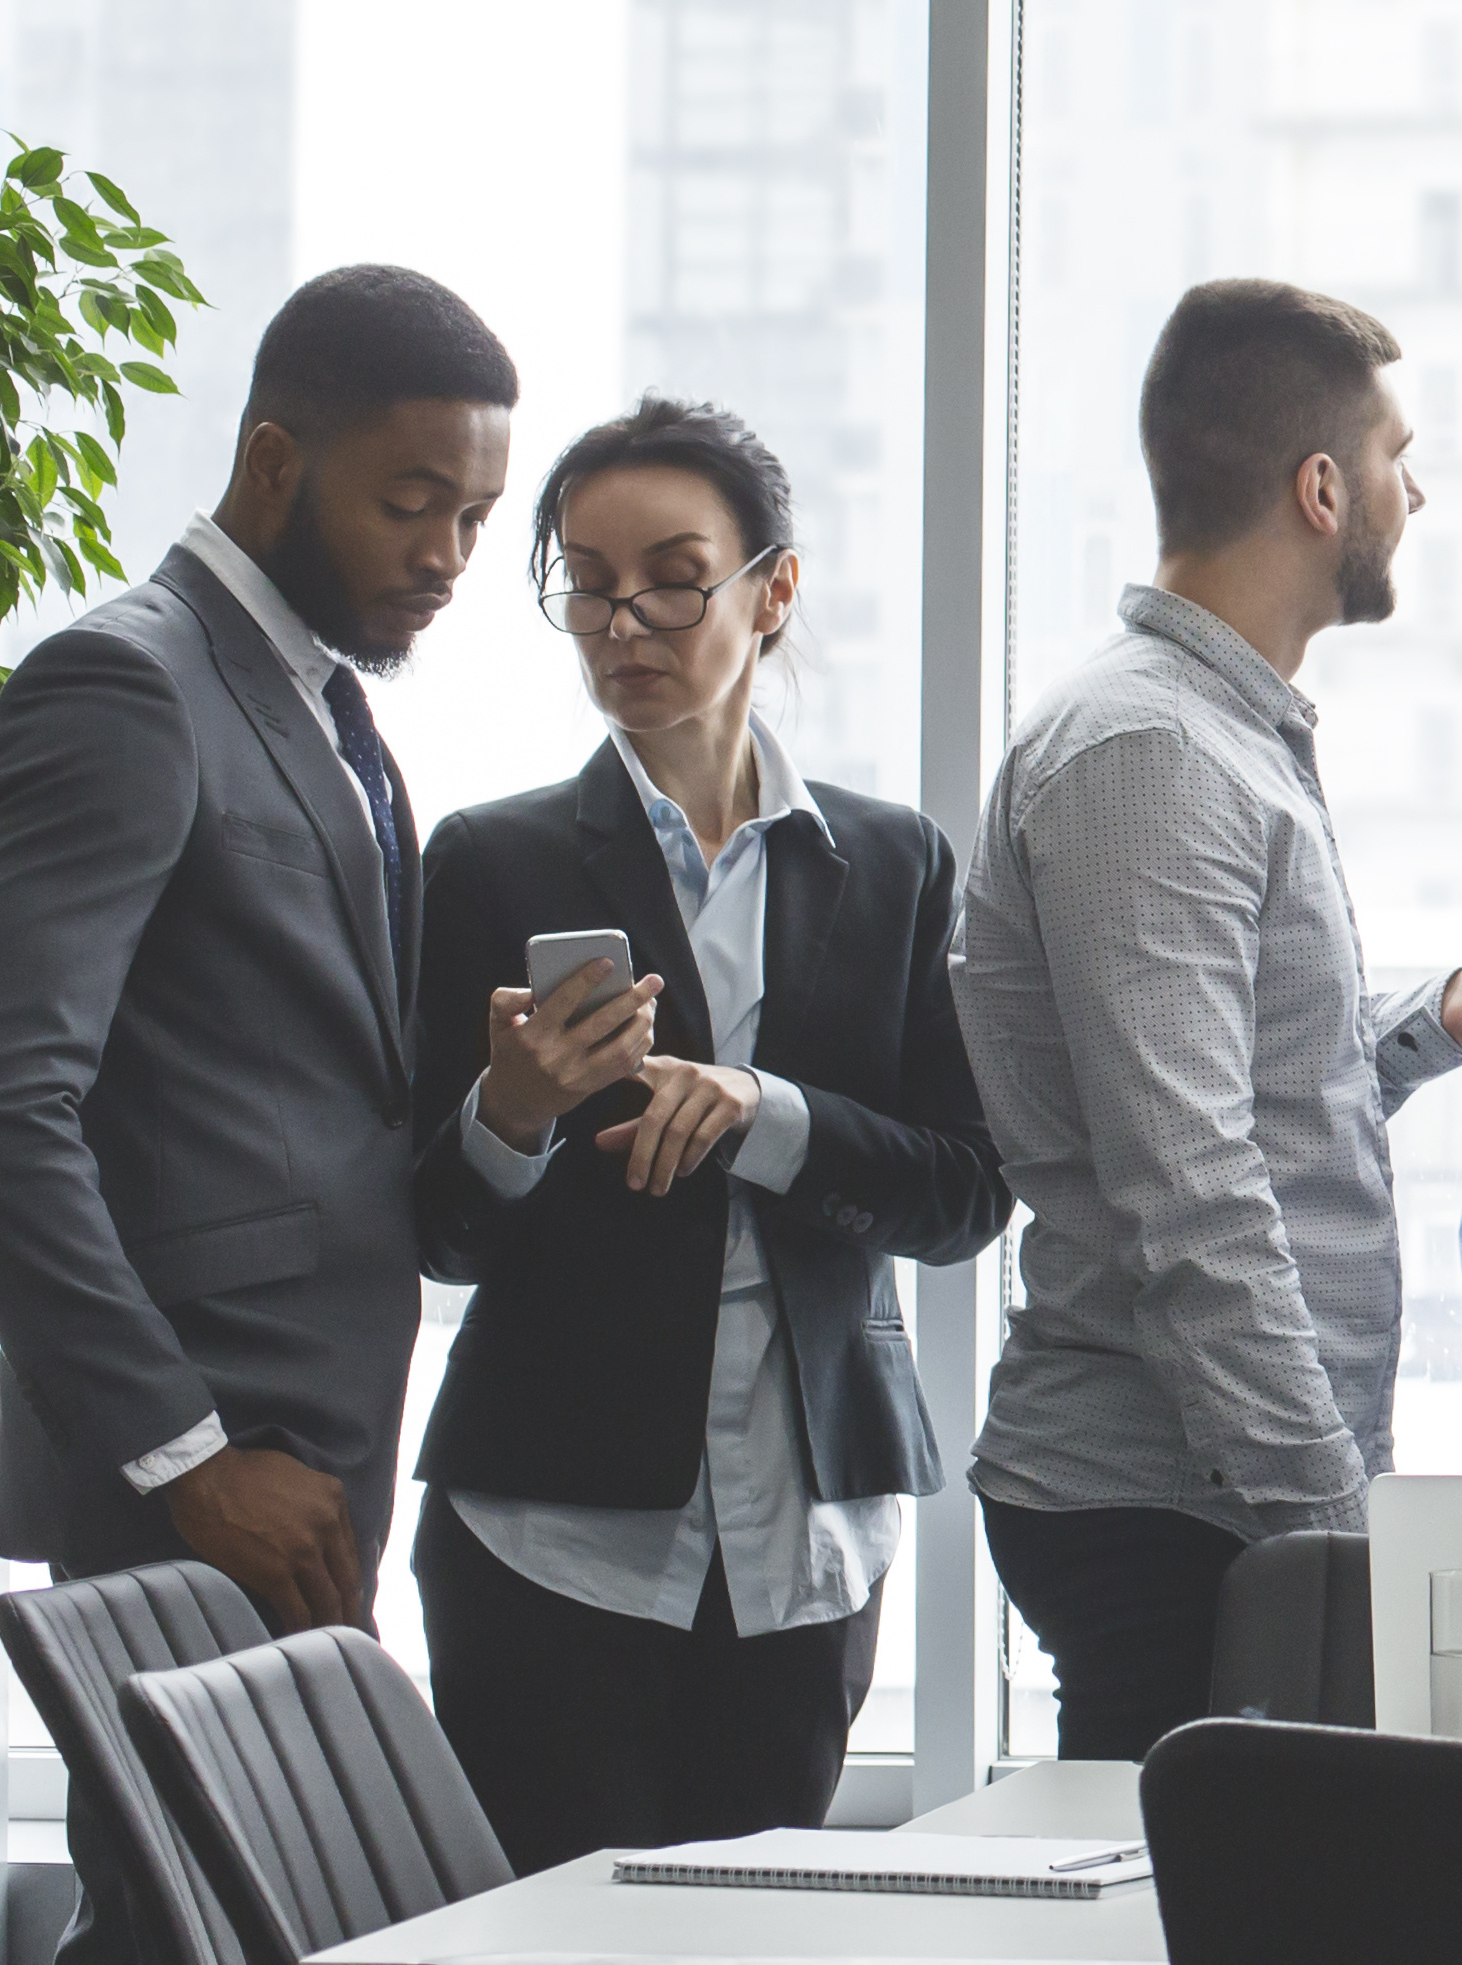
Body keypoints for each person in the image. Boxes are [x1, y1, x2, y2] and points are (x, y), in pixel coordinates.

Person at [0, 264, 513, 1965]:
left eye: (474, 513)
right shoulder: (128, 685)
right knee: (180, 1929)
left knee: (250, 1933)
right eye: (411, 502)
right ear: (270, 461)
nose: (449, 554)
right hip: (191, 1477)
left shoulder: (333, 715)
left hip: (308, 1466)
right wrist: (182, 1456)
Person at [960, 279, 1462, 1759]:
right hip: (1172, 1503)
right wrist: (1338, 1527)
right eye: (1398, 453)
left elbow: (1236, 1085)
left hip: (1210, 1497)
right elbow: (1186, 1184)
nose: (1417, 489)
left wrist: (1432, 1018)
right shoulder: (1149, 751)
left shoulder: (1215, 737)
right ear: (1320, 488)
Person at [405, 397, 1012, 1870]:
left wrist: (767, 1111)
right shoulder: (491, 857)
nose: (625, 619)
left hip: (806, 1532)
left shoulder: (892, 862)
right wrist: (516, 1113)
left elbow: (964, 1194)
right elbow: (435, 1228)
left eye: (673, 576)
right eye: (588, 583)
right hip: (551, 1528)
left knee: (753, 1929)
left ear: (773, 589)